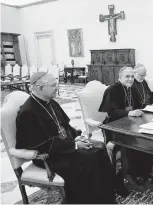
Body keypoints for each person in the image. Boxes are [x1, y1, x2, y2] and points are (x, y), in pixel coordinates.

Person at [15, 72, 127, 204]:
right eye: (53, 85)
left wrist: (77, 138)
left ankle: (107, 191)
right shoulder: (27, 112)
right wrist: (73, 145)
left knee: (99, 147)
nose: (56, 88)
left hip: (64, 146)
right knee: (91, 158)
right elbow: (41, 145)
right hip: (47, 155)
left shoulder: (51, 103)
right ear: (40, 87)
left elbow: (65, 126)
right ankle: (93, 200)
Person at [98, 66, 153, 183]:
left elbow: (138, 105)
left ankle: (144, 170)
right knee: (135, 141)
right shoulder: (112, 89)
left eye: (132, 76)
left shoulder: (132, 89)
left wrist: (151, 107)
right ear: (119, 77)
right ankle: (131, 173)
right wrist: (129, 112)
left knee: (147, 135)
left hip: (131, 124)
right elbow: (111, 112)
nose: (130, 79)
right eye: (127, 76)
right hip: (113, 126)